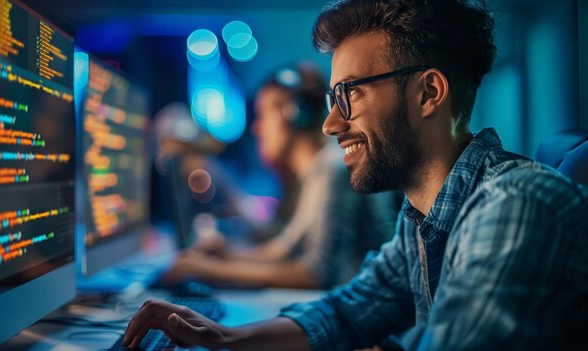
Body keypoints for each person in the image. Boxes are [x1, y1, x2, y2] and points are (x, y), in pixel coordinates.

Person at [122, 0, 588, 350]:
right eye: (331, 99)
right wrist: (226, 338)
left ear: (428, 93)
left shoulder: (518, 204)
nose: (330, 124)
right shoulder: (422, 216)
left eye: (349, 95)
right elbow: (347, 311)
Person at [163, 63, 401, 290]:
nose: (256, 128)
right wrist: (230, 256)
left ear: (294, 114)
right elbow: (284, 246)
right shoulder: (313, 172)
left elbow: (318, 273)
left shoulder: (332, 167)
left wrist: (216, 270)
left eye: (263, 114)